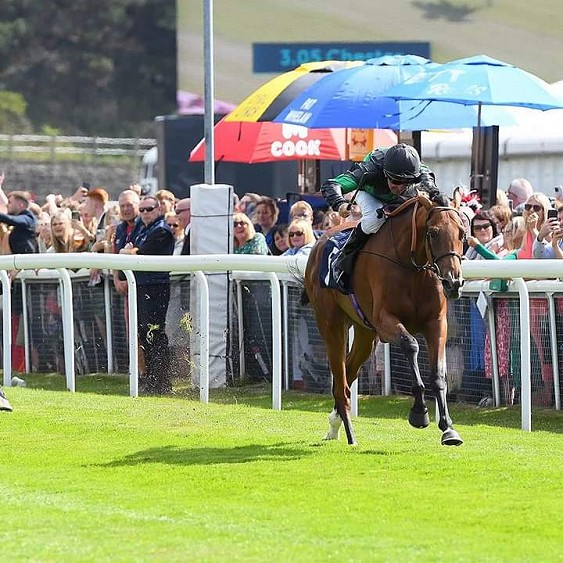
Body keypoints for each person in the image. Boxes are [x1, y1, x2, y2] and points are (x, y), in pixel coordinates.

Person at [320, 143, 448, 288]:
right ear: (385, 173)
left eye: (406, 182)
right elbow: (330, 185)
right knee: (375, 219)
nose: (400, 187)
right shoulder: (369, 170)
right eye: (396, 181)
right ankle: (343, 260)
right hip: (369, 193)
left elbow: (436, 195)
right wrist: (340, 204)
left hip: (405, 196)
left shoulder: (422, 173)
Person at [119, 195, 175, 393]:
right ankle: (154, 380)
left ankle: (162, 381)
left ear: (158, 209)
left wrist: (129, 251)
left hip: (155, 286)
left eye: (149, 209)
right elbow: (128, 250)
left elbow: (138, 253)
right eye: (141, 210)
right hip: (143, 286)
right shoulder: (142, 228)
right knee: (145, 333)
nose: (144, 213)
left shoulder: (161, 230)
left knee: (154, 332)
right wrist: (129, 251)